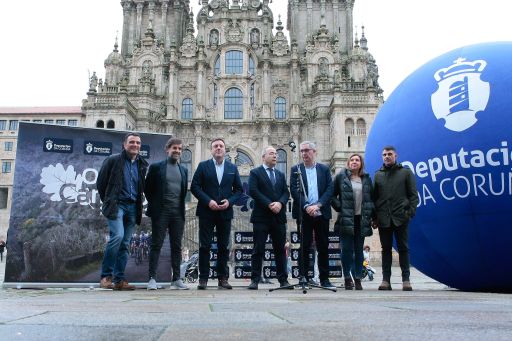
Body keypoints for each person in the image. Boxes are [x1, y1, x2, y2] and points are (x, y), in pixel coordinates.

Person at [97, 132, 148, 290]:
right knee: (117, 237)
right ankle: (106, 276)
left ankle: (119, 280)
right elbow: (101, 183)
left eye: (138, 143)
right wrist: (109, 200)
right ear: (124, 145)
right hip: (117, 205)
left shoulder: (141, 163)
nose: (135, 145)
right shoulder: (113, 160)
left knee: (126, 243)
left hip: (133, 207)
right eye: (132, 142)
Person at [191, 138, 243, 289]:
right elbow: (195, 186)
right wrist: (208, 201)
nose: (218, 148)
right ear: (211, 150)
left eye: (221, 146)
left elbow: (239, 190)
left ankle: (222, 278)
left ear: (225, 150)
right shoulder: (203, 166)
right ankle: (203, 279)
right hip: (207, 211)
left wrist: (230, 201)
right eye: (215, 146)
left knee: (223, 246)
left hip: (225, 212)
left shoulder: (232, 167)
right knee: (204, 246)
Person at [372, 146, 419, 291]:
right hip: (384, 219)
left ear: (395, 155)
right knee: (385, 249)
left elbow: (413, 196)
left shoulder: (405, 173)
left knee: (403, 248)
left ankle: (406, 280)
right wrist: (375, 217)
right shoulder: (378, 175)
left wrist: (409, 213)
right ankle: (386, 280)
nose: (386, 156)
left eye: (389, 154)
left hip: (400, 217)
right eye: (384, 154)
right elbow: (374, 198)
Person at [145, 138, 189, 290]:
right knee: (156, 245)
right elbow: (147, 189)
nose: (177, 151)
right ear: (167, 149)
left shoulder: (184, 170)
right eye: (174, 148)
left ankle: (176, 278)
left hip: (178, 213)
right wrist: (156, 205)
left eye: (179, 149)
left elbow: (183, 192)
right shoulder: (157, 167)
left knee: (177, 246)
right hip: (161, 212)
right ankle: (152, 278)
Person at [290, 141, 335, 289]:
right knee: (304, 246)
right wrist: (307, 206)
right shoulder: (295, 169)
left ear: (314, 152)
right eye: (302, 151)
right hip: (304, 213)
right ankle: (304, 277)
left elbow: (330, 189)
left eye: (307, 150)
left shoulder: (324, 169)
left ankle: (324, 279)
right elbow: (295, 191)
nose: (304, 153)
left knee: (323, 246)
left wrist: (318, 204)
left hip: (321, 211)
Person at [247, 146, 291, 290]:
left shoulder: (280, 174)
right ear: (263, 157)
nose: (275, 156)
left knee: (280, 250)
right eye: (272, 153)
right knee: (258, 249)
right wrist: (269, 204)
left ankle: (283, 280)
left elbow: (286, 192)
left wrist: (280, 203)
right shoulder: (255, 172)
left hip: (278, 217)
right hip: (261, 217)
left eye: (276, 154)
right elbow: (253, 190)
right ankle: (255, 279)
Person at [331, 153, 374, 290]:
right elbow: (332, 195)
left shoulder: (366, 179)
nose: (354, 162)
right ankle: (347, 277)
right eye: (352, 160)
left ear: (361, 163)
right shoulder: (341, 177)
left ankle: (358, 278)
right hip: (346, 218)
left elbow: (370, 199)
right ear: (348, 163)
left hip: (361, 219)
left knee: (359, 251)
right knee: (347, 250)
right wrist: (340, 207)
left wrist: (371, 216)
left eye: (357, 160)